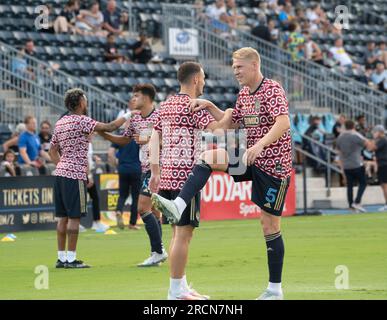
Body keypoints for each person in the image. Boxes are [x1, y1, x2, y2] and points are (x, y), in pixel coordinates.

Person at [150, 48, 292, 300]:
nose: (235, 71)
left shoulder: (272, 88)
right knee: (209, 157)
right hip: (250, 157)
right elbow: (232, 122)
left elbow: (283, 122)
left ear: (254, 64)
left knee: (268, 224)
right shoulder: (244, 93)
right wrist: (210, 105)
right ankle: (178, 204)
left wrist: (259, 145)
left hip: (273, 165)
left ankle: (274, 290)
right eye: (234, 67)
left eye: (239, 67)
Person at [148, 61, 232, 300]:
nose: (204, 82)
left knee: (177, 234)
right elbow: (218, 131)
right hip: (187, 178)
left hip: (166, 176)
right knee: (184, 235)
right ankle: (175, 292)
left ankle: (181, 287)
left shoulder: (166, 105)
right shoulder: (193, 106)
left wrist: (155, 171)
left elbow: (155, 138)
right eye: (203, 77)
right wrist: (227, 113)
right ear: (195, 79)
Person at [48, 88, 133, 269]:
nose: (86, 103)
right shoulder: (82, 121)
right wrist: (129, 114)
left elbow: (52, 150)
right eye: (85, 100)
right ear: (80, 103)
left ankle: (61, 258)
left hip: (60, 174)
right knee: (74, 217)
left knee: (62, 218)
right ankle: (71, 259)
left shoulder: (60, 122)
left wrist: (62, 165)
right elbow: (110, 127)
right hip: (75, 174)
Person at [99, 84, 168, 267]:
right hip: (145, 168)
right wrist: (104, 135)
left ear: (146, 98)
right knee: (153, 211)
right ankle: (157, 253)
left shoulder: (161, 116)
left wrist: (151, 139)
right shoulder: (136, 119)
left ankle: (158, 251)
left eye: (136, 96)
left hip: (159, 167)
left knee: (142, 207)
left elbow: (171, 139)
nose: (133, 99)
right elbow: (124, 139)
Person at [108, 100, 142, 230]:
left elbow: (110, 153)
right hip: (136, 169)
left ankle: (118, 211)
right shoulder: (139, 136)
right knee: (135, 197)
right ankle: (132, 223)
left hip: (123, 168)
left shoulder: (120, 135)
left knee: (122, 194)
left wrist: (116, 164)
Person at [336, 120, 371, 213]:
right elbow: (368, 143)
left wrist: (341, 168)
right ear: (353, 126)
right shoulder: (355, 135)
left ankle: (351, 206)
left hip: (346, 165)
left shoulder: (340, 137)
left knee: (349, 186)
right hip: (356, 163)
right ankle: (357, 201)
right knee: (363, 183)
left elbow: (339, 153)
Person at [368, 125, 387, 212]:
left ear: (379, 132)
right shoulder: (381, 140)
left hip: (384, 164)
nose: (374, 133)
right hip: (381, 164)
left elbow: (371, 148)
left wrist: (372, 141)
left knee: (385, 185)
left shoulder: (382, 140)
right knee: (383, 185)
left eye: (375, 132)